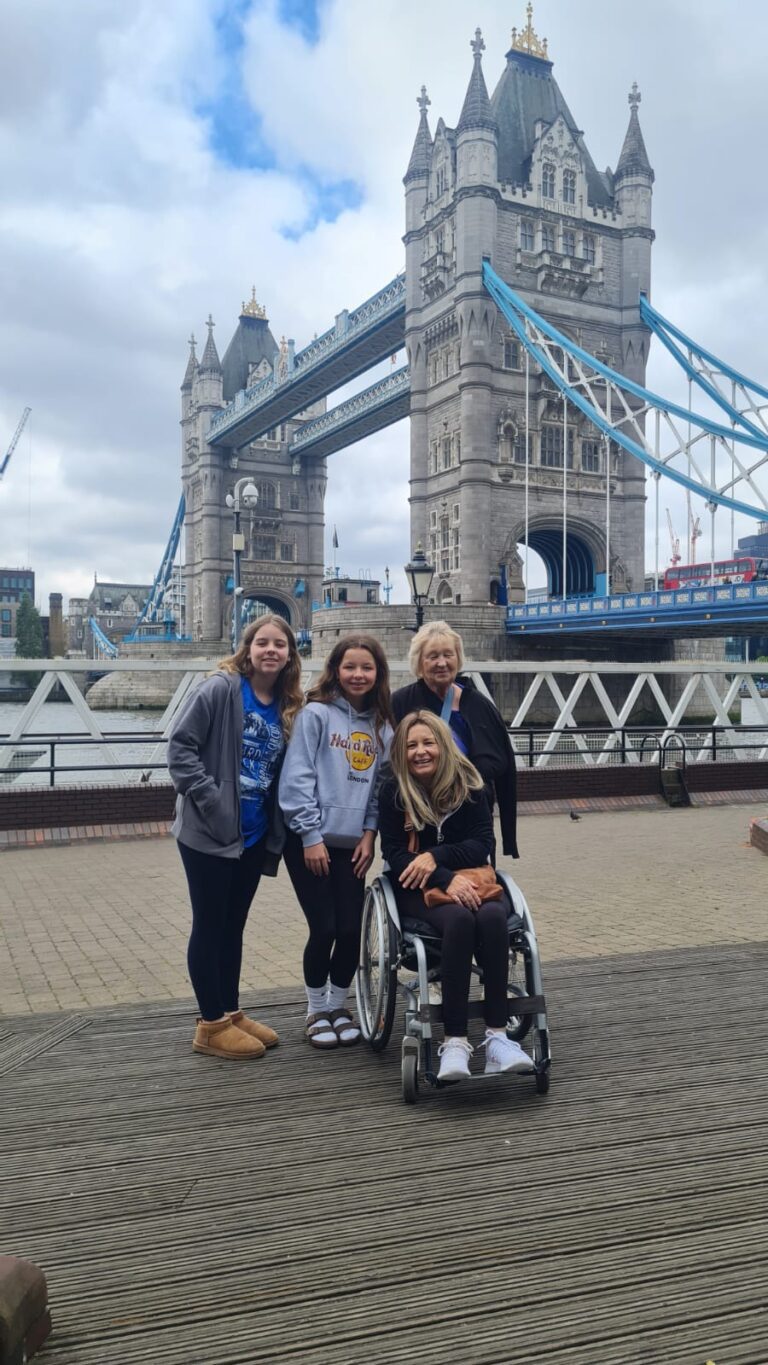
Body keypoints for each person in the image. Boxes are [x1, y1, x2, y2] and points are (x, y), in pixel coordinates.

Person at [167, 614, 303, 1060]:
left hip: (253, 833)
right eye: (262, 642)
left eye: (279, 644)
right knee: (209, 925)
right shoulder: (220, 689)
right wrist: (212, 802)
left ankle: (230, 1011)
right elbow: (180, 749)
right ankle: (210, 1025)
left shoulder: (287, 703)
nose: (270, 650)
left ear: (290, 653)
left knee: (233, 926)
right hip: (209, 832)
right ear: (248, 648)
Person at [379, 710, 531, 1082]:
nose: (420, 751)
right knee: (460, 921)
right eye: (411, 745)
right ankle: (455, 1041)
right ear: (401, 752)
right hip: (416, 888)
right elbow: (396, 854)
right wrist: (443, 877)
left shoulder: (470, 785)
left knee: (493, 917)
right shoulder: (394, 792)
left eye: (428, 743)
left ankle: (497, 1038)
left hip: (471, 878)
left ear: (443, 745)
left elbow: (483, 843)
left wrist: (436, 857)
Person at [279, 634, 393, 1049]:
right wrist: (310, 835)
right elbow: (297, 777)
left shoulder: (383, 725)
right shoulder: (315, 714)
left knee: (349, 930)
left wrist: (370, 834)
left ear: (378, 673)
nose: (358, 674)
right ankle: (316, 1010)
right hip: (309, 841)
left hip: (353, 844)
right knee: (323, 926)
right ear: (336, 670)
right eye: (350, 667)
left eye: (366, 667)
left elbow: (380, 786)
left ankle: (338, 1006)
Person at [392, 620, 518, 860]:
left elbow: (501, 763)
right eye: (433, 656)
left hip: (470, 822)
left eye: (448, 654)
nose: (442, 663)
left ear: (458, 659)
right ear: (419, 662)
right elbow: (389, 763)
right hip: (419, 821)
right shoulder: (400, 703)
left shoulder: (480, 705)